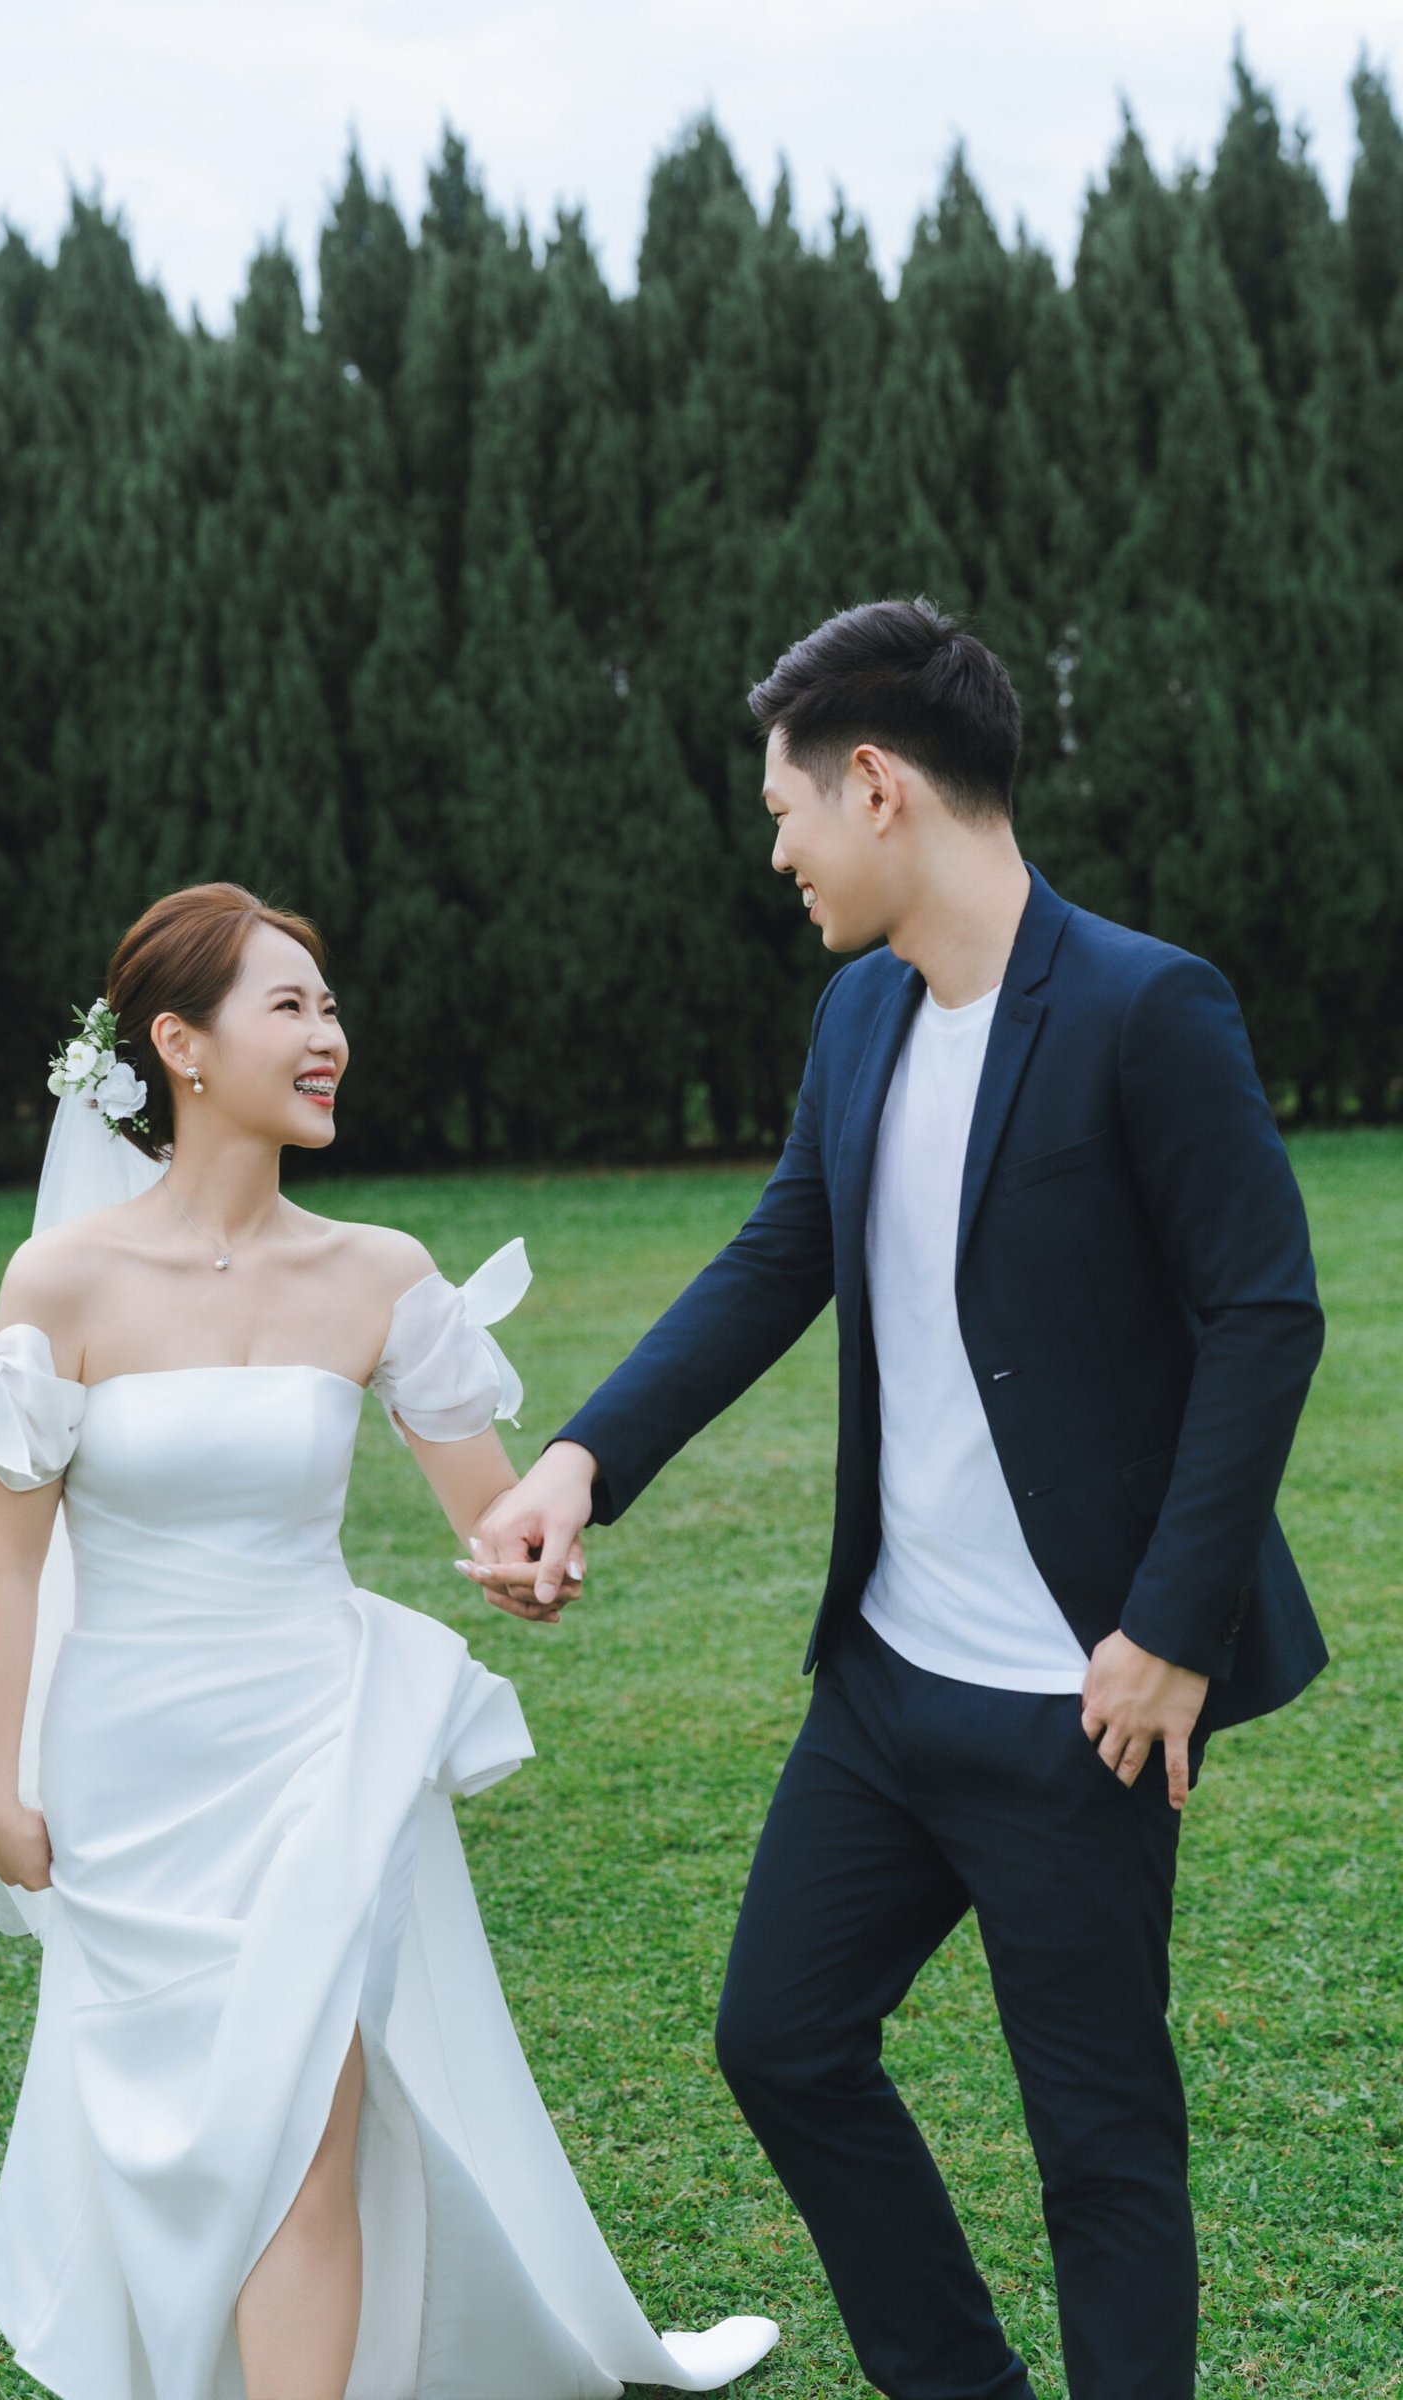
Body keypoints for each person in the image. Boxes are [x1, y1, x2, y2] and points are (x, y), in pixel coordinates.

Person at [464, 600, 1327, 2399]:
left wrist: (1171, 1630)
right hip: (883, 1685)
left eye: (785, 810)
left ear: (875, 786)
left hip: (1079, 1702)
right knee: (780, 2042)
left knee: (1101, 2146)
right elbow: (778, 1256)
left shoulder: (1145, 1005)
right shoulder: (858, 1011)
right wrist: (580, 1462)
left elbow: (1265, 1317)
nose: (778, 853)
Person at [0, 881, 778, 2400]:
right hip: (132, 1763)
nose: (329, 1036)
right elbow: (6, 1566)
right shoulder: (62, 1283)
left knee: (306, 2125)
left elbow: (493, 1518)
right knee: (182, 2134)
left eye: (330, 1007)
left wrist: (532, 1560)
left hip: (317, 1748)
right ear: (181, 1046)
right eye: (290, 1007)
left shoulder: (377, 1273)